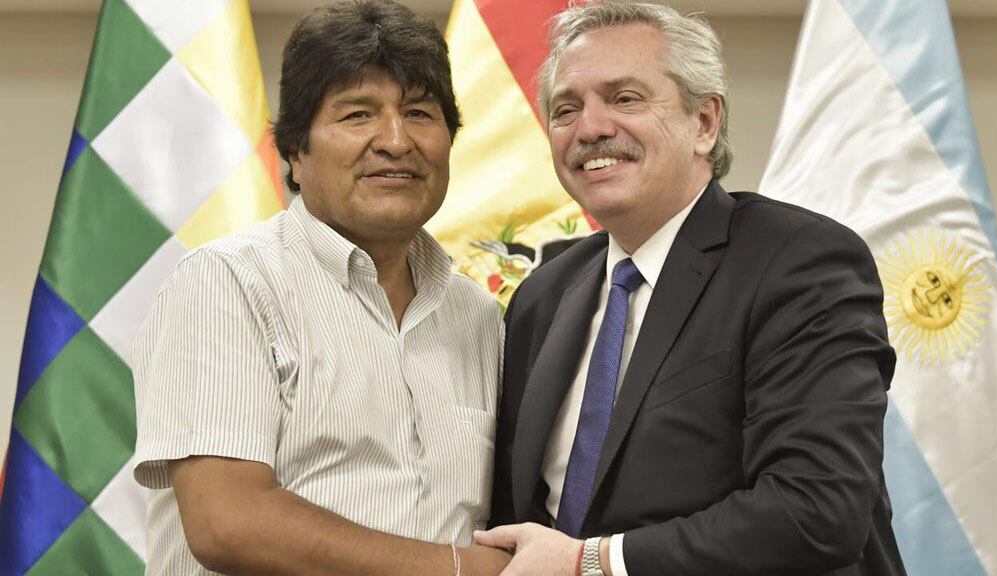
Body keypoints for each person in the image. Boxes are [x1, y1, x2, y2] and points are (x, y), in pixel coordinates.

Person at [476, 3, 907, 575]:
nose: (591, 128)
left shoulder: (799, 262)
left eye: (625, 98)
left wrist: (593, 562)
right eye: (566, 109)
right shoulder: (542, 296)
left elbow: (817, 509)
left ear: (704, 123)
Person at [131, 1, 509, 574]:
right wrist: (459, 569)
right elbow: (227, 523)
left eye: (419, 113)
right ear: (296, 151)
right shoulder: (227, 283)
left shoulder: (478, 315)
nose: (396, 141)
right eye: (357, 115)